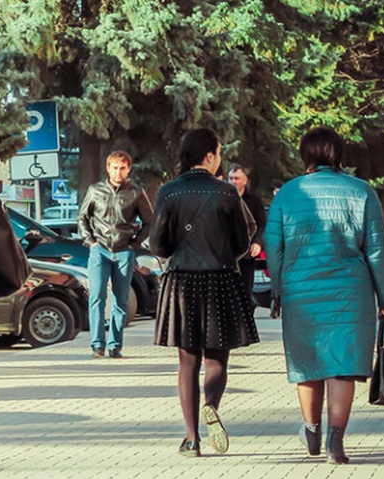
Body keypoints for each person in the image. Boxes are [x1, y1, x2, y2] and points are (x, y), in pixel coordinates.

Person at [263, 126, 384, 464]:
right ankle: (336, 442)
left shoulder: (288, 194)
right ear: (339, 154)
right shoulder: (361, 192)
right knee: (343, 367)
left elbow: (274, 248)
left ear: (306, 155)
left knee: (308, 366)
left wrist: (278, 287)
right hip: (351, 292)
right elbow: (378, 250)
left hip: (301, 292)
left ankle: (311, 429)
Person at [150, 128, 259, 458]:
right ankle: (211, 404)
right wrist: (224, 254)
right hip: (220, 280)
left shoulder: (168, 192)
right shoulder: (227, 192)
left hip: (181, 282)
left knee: (187, 363)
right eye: (219, 152)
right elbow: (242, 241)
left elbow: (158, 244)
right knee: (216, 359)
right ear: (209, 156)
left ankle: (192, 439)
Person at [77, 151, 153, 358]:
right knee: (97, 297)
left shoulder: (136, 193)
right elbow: (83, 218)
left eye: (122, 168)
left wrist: (134, 245)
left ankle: (115, 346)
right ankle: (97, 345)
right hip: (99, 250)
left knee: (121, 301)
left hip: (123, 251)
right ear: (108, 168)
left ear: (128, 169)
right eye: (114, 167)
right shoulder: (95, 191)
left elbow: (149, 222)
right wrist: (91, 242)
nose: (118, 171)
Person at [228, 166, 267, 310]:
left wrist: (257, 243)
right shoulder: (222, 199)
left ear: (244, 181)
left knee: (245, 290)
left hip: (246, 255)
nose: (233, 182)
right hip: (227, 254)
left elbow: (262, 225)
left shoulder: (254, 201)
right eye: (231, 178)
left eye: (237, 178)